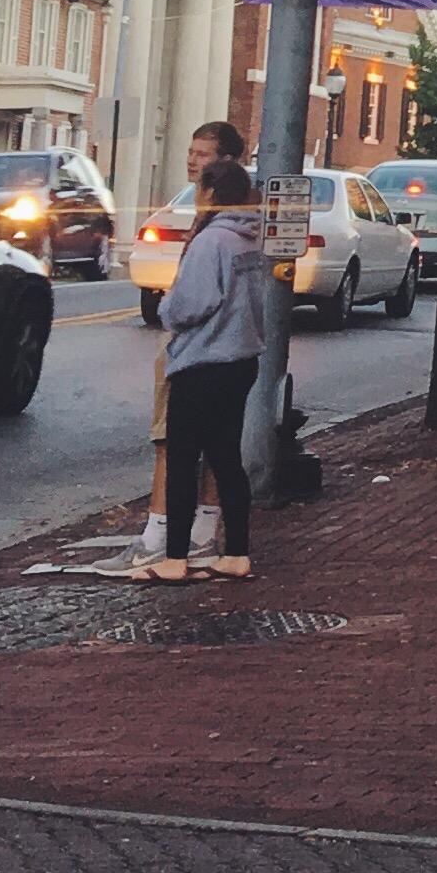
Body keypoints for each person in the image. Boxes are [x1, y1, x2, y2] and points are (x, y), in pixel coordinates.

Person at [141, 138, 270, 583]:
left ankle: (175, 558)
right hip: (241, 358)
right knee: (225, 456)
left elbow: (191, 304)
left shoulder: (211, 240)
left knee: (182, 459)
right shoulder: (250, 239)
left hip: (203, 361)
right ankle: (237, 552)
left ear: (210, 193)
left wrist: (166, 307)